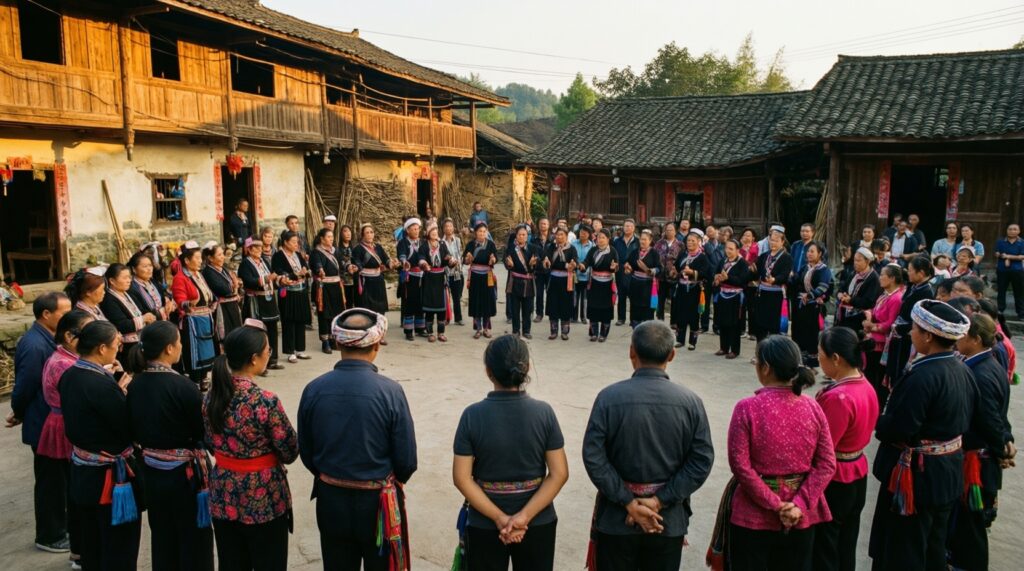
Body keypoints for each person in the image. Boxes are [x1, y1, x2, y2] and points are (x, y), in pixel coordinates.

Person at [583, 321, 714, 571]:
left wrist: (629, 502)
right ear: (672, 354)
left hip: (617, 518)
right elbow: (701, 461)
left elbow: (593, 457)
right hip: (666, 520)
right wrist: (659, 501)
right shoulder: (690, 402)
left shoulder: (609, 398)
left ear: (631, 351)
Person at [298, 309, 417, 571]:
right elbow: (407, 461)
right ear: (376, 345)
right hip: (377, 504)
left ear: (338, 342)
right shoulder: (391, 392)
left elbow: (306, 452)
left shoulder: (313, 389)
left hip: (331, 498)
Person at [709, 335, 836, 571]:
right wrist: (798, 504)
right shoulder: (812, 407)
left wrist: (776, 505)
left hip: (753, 514)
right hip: (801, 515)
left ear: (765, 368)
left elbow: (740, 466)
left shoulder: (747, 408)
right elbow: (827, 463)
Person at [869, 300, 976, 571]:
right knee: (933, 545)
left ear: (928, 336)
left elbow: (900, 428)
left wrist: (878, 422)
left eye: (915, 329)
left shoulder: (923, 375)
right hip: (947, 471)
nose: (911, 334)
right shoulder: (961, 368)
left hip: (919, 477)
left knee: (908, 548)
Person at [452, 335, 568, 570]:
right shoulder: (544, 413)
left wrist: (499, 518)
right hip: (537, 520)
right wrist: (523, 517)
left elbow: (461, 478)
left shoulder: (472, 415)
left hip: (485, 521)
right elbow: (559, 473)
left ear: (488, 371)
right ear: (526, 369)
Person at [204, 325, 298, 571]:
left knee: (231, 561)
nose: (270, 353)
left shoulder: (210, 396)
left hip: (223, 491)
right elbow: (289, 450)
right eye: (268, 349)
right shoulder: (264, 400)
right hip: (262, 494)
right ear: (254, 358)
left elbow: (209, 441)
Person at [125, 321, 214, 571]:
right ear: (168, 349)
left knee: (163, 534)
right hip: (184, 476)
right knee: (193, 536)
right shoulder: (183, 387)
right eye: (179, 342)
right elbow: (201, 430)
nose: (181, 346)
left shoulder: (135, 385)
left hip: (151, 471)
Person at [59, 320, 143, 570]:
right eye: (116, 345)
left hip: (82, 470)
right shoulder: (100, 385)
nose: (118, 350)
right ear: (101, 348)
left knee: (92, 540)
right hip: (107, 477)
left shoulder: (71, 375)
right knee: (118, 545)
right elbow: (126, 427)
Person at [946, 313, 1016, 570]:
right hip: (982, 452)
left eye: (962, 336)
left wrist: (1001, 448)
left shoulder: (981, 373)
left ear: (975, 339)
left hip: (977, 459)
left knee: (970, 525)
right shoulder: (984, 364)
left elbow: (989, 419)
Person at [5, 292, 72, 555]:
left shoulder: (49, 338)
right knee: (50, 482)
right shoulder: (34, 345)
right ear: (46, 314)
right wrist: (18, 412)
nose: (68, 317)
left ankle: (61, 527)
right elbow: (24, 388)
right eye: (63, 312)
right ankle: (49, 534)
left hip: (51, 421)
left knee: (59, 480)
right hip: (42, 422)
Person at [812, 327, 880, 571]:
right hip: (857, 471)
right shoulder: (865, 385)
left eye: (821, 354)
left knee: (826, 545)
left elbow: (823, 445)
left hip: (836, 478)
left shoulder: (838, 397)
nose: (819, 360)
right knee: (846, 542)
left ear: (836, 359)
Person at [171, 242, 218, 384]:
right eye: (197, 258)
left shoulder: (198, 275)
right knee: (195, 355)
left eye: (200, 258)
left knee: (206, 354)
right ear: (186, 260)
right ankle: (195, 383)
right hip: (192, 323)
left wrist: (213, 300)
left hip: (205, 319)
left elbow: (208, 294)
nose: (200, 261)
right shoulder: (180, 278)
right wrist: (190, 303)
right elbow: (180, 301)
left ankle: (204, 380)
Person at [885, 255, 934, 386]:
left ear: (921, 273)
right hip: (899, 332)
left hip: (908, 335)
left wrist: (901, 328)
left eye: (911, 270)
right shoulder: (914, 286)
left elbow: (920, 319)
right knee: (893, 370)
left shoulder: (926, 292)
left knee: (901, 371)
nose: (908, 272)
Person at [238, 237, 284, 371]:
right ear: (249, 250)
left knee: (272, 329)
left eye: (260, 247)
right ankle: (258, 363)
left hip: (268, 300)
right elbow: (248, 281)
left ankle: (272, 359)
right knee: (258, 331)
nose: (259, 250)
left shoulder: (263, 261)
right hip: (256, 301)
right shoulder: (245, 264)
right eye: (256, 248)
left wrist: (279, 280)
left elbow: (272, 277)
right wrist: (266, 278)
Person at [862, 264, 904, 409]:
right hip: (874, 338)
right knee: (869, 375)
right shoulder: (884, 295)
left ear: (892, 278)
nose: (879, 278)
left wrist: (872, 326)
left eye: (882, 275)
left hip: (882, 343)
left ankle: (875, 408)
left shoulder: (896, 298)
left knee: (877, 378)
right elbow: (875, 312)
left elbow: (890, 323)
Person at [789, 240, 832, 367]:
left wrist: (810, 295)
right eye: (808, 251)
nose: (809, 254)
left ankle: (811, 363)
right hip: (800, 305)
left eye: (812, 251)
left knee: (811, 333)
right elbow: (796, 281)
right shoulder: (805, 267)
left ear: (820, 254)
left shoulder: (824, 270)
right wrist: (789, 278)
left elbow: (823, 287)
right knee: (798, 331)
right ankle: (799, 360)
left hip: (813, 306)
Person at [271, 230, 312, 362]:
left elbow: (305, 268)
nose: (296, 244)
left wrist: (306, 272)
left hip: (300, 291)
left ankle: (300, 349)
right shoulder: (278, 256)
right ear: (285, 242)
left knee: (300, 319)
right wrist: (296, 275)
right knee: (289, 320)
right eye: (293, 242)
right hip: (288, 292)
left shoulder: (298, 255)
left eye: (297, 242)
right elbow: (279, 272)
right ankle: (290, 351)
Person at [100, 263, 156, 359]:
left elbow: (142, 310)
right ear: (112, 280)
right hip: (127, 348)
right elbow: (121, 325)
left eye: (129, 277)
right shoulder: (109, 300)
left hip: (140, 342)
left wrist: (149, 316)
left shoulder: (129, 294)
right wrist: (143, 319)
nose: (129, 281)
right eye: (125, 278)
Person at [350, 223, 398, 320]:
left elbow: (386, 259)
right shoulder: (358, 249)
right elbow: (357, 262)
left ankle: (378, 326)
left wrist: (392, 264)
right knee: (367, 307)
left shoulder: (378, 247)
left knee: (379, 307)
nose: (370, 234)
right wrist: (357, 268)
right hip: (366, 281)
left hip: (378, 280)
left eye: (371, 232)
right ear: (362, 235)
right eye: (367, 232)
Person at [672, 229, 709, 350]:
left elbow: (706, 273)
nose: (690, 243)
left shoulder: (702, 257)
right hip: (682, 287)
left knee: (693, 315)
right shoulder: (683, 255)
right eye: (688, 240)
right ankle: (680, 340)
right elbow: (677, 267)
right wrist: (674, 272)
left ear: (699, 242)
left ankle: (692, 342)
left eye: (693, 241)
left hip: (695, 289)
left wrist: (692, 272)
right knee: (681, 313)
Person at [580, 229, 619, 343]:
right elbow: (586, 262)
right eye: (598, 237)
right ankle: (594, 333)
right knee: (593, 308)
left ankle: (603, 334)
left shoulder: (613, 251)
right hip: (594, 283)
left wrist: (614, 267)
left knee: (606, 309)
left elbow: (616, 267)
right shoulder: (593, 250)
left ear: (608, 239)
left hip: (607, 284)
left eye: (603, 237)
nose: (600, 240)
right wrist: (582, 266)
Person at [713, 239, 750, 359]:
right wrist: (717, 277)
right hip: (723, 294)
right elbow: (716, 272)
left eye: (731, 249)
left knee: (734, 323)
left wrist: (727, 278)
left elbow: (742, 281)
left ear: (737, 250)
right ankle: (723, 347)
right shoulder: (723, 261)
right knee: (723, 321)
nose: (728, 251)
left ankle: (734, 350)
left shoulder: (742, 263)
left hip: (735, 296)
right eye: (726, 248)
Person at [310, 228, 345, 353]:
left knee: (336, 313)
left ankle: (333, 339)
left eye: (332, 237)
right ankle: (325, 341)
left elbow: (341, 264)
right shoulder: (316, 252)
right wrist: (320, 270)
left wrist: (349, 267)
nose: (331, 239)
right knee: (324, 314)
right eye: (329, 237)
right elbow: (317, 264)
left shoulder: (336, 251)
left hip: (336, 285)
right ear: (322, 239)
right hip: (323, 287)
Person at [754, 231, 793, 342]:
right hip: (762, 293)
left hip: (776, 295)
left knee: (773, 325)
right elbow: (757, 272)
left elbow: (785, 274)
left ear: (782, 242)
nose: (773, 243)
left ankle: (772, 353)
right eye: (771, 240)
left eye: (776, 240)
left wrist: (775, 279)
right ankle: (759, 352)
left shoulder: (786, 258)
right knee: (760, 324)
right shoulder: (764, 256)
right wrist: (751, 270)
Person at [418, 224, 454, 342]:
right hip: (429, 278)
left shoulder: (442, 244)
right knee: (429, 308)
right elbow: (421, 258)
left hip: (440, 279)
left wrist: (451, 260)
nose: (434, 232)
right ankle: (430, 333)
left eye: (435, 230)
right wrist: (424, 264)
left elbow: (447, 259)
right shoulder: (424, 246)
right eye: (432, 230)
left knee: (441, 307)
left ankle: (441, 332)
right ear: (428, 233)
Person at [542, 227, 579, 340]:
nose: (559, 237)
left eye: (562, 234)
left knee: (565, 305)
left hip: (566, 280)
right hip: (553, 279)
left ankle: (564, 332)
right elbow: (546, 259)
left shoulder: (572, 249)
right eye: (557, 235)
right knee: (553, 304)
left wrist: (573, 265)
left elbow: (575, 262)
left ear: (566, 236)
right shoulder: (551, 247)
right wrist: (547, 262)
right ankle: (553, 331)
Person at [464, 222, 499, 339]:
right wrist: (468, 259)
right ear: (475, 233)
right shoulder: (470, 245)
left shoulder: (491, 245)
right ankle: (478, 329)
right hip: (474, 276)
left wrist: (492, 260)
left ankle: (486, 328)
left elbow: (495, 259)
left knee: (487, 301)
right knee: (476, 301)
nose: (482, 234)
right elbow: (465, 260)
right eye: (480, 231)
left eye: (484, 231)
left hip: (487, 276)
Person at [202, 243, 243, 341]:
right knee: (227, 336)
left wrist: (236, 284)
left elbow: (236, 282)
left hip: (232, 305)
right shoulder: (208, 272)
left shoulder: (223, 269)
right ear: (211, 258)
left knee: (237, 334)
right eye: (219, 255)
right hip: (222, 308)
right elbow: (223, 289)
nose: (223, 257)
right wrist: (234, 285)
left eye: (222, 254)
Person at [835, 248, 881, 333]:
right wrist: (840, 294)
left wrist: (850, 300)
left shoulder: (874, 279)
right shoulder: (854, 273)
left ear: (867, 262)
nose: (855, 263)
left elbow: (869, 302)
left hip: (858, 320)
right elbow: (843, 287)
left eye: (858, 260)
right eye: (854, 260)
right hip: (844, 316)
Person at [505, 225, 539, 339]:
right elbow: (506, 261)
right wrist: (508, 264)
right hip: (515, 281)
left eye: (524, 234)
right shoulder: (510, 248)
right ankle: (515, 330)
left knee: (527, 308)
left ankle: (526, 330)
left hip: (528, 282)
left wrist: (533, 264)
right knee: (515, 308)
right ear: (516, 236)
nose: (521, 236)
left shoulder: (533, 248)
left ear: (527, 236)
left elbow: (538, 261)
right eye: (519, 234)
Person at [623, 229, 661, 328]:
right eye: (641, 239)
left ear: (650, 240)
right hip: (635, 284)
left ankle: (646, 330)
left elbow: (659, 268)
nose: (642, 242)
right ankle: (636, 329)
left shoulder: (654, 253)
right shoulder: (635, 252)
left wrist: (648, 270)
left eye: (645, 239)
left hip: (648, 286)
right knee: (635, 306)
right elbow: (628, 263)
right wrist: (627, 267)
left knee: (647, 308)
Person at [128, 251, 175, 322]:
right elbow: (141, 311)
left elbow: (165, 294)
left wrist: (168, 302)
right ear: (134, 269)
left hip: (165, 322)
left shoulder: (153, 282)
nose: (149, 269)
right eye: (145, 266)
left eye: (150, 265)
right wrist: (160, 312)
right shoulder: (131, 288)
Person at [612, 219, 640, 326]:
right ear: (623, 227)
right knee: (621, 294)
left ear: (633, 228)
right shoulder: (617, 241)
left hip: (633, 271)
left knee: (633, 296)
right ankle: (621, 318)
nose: (627, 228)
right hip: (620, 271)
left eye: (630, 226)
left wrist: (632, 265)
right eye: (626, 226)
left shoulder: (637, 242)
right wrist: (620, 264)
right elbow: (614, 255)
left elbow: (639, 255)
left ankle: (633, 319)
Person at [653, 222, 682, 322]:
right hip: (661, 275)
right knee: (660, 298)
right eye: (667, 229)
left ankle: (674, 321)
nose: (669, 231)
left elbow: (682, 259)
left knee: (674, 299)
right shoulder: (659, 243)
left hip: (674, 276)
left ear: (675, 231)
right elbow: (654, 256)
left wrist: (676, 270)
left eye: (671, 229)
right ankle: (660, 318)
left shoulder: (680, 244)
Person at [995, 223, 1024, 319]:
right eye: (1010, 229)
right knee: (1001, 291)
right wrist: (1000, 255)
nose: (1012, 231)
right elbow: (997, 253)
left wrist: (1007, 256)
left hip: (1017, 270)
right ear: (1007, 230)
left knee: (1019, 291)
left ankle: (1021, 313)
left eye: (1015, 229)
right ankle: (1000, 310)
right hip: (1002, 270)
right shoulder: (1000, 242)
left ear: (1019, 231)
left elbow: (1022, 257)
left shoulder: (1022, 242)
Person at [442, 218, 465, 326]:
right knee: (446, 296)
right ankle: (446, 318)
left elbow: (460, 254)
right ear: (443, 229)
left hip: (456, 272)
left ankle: (458, 318)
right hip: (446, 272)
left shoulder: (457, 240)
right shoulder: (440, 242)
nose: (448, 228)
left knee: (457, 296)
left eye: (450, 226)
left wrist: (459, 263)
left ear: (453, 228)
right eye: (446, 226)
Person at [701, 225, 724, 333]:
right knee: (705, 302)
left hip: (719, 278)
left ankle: (717, 326)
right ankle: (704, 325)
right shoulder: (704, 246)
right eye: (707, 231)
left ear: (717, 231)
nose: (710, 233)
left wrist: (719, 275)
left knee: (718, 303)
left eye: (712, 231)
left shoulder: (722, 245)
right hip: (708, 277)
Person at [739, 228, 759, 339]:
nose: (747, 237)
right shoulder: (739, 249)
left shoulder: (757, 248)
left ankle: (753, 332)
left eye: (749, 235)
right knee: (741, 306)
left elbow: (756, 264)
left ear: (753, 238)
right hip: (741, 281)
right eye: (745, 235)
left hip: (753, 282)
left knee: (752, 308)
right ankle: (741, 329)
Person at [531, 218, 553, 322]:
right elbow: (532, 253)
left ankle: (550, 313)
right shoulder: (534, 239)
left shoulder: (553, 238)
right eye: (541, 223)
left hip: (550, 271)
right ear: (538, 225)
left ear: (549, 225)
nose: (543, 225)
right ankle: (539, 314)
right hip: (538, 271)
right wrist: (539, 262)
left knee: (551, 293)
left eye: (545, 224)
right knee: (539, 293)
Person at [573, 225, 595, 324]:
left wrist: (585, 266)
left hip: (587, 275)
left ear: (589, 234)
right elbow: (572, 256)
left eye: (585, 233)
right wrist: (578, 265)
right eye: (581, 232)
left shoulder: (592, 246)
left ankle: (583, 317)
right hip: (575, 274)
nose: (583, 234)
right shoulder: (573, 244)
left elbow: (592, 260)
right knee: (574, 295)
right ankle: (573, 317)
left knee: (584, 297)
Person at [336, 225, 356, 311]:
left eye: (349, 231)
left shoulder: (355, 247)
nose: (348, 233)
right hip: (343, 279)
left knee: (353, 302)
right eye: (345, 231)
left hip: (354, 278)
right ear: (341, 234)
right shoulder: (337, 249)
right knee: (345, 302)